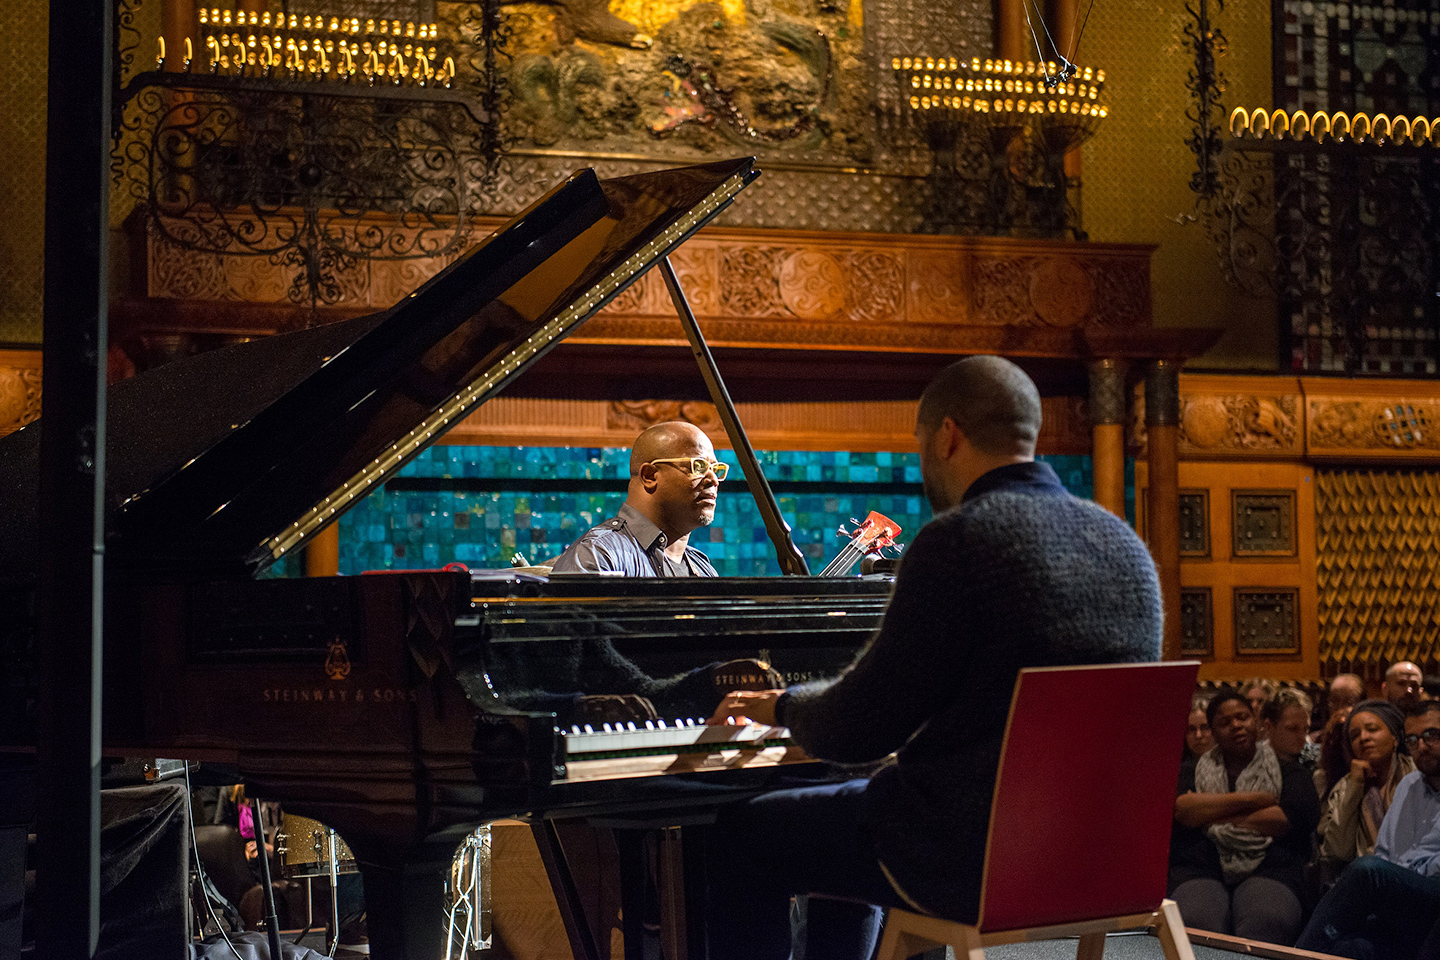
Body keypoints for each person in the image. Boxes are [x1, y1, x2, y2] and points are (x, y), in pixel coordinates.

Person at [699, 356, 1163, 960]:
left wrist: (781, 705)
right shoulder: (1125, 546)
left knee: (740, 834)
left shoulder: (961, 540)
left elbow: (861, 727)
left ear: (947, 435)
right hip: (1096, 857)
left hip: (963, 859)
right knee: (860, 805)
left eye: (921, 446)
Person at [1168, 690, 1320, 944]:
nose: (1236, 725)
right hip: (1201, 868)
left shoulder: (1289, 772)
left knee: (1266, 918)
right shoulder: (1189, 772)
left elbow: (1284, 820)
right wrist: (1253, 800)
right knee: (1196, 920)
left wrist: (1209, 813)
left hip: (1271, 868)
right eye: (1225, 722)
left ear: (1256, 722)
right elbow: (1183, 810)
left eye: (1242, 717)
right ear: (1213, 732)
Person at [1296, 701, 1440, 960]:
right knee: (1351, 948)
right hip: (1397, 899)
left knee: (1368, 870)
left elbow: (1381, 867)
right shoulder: (1410, 785)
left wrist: (1397, 876)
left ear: (1393, 739)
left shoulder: (1403, 775)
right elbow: (1369, 851)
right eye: (1413, 739)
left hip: (1431, 894)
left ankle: (1296, 955)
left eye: (1431, 735)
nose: (1421, 746)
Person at [551, 421, 723, 576]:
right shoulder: (598, 556)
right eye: (698, 466)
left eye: (716, 469)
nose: (714, 480)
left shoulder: (703, 569)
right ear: (649, 476)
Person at [1316, 700, 1415, 885]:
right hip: (1367, 881)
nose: (1363, 738)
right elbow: (1338, 851)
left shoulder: (1417, 775)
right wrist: (1354, 786)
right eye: (1354, 735)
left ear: (1395, 737)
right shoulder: (1346, 786)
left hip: (1414, 874)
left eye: (1372, 729)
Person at [1262, 689, 1314, 765]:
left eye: (1305, 729)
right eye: (1293, 729)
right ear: (1269, 727)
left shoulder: (1312, 760)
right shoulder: (1253, 763)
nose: (1302, 737)